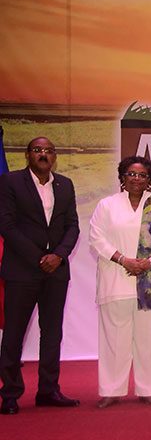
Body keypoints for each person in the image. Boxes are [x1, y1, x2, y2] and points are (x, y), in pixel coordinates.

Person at [88, 156, 151, 408]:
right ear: (122, 177)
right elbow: (97, 237)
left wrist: (148, 262)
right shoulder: (107, 206)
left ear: (149, 180)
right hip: (115, 280)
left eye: (142, 175)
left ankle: (149, 389)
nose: (136, 179)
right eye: (131, 174)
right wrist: (123, 260)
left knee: (150, 338)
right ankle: (111, 389)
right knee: (113, 339)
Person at [0, 137, 80, 415]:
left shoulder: (65, 184)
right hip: (22, 270)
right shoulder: (10, 182)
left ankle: (48, 390)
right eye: (37, 150)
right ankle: (10, 393)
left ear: (54, 156)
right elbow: (7, 226)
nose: (43, 155)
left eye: (48, 151)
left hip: (56, 271)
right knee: (14, 333)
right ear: (27, 155)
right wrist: (38, 258)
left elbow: (72, 226)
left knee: (52, 333)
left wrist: (58, 255)